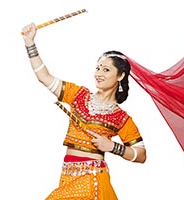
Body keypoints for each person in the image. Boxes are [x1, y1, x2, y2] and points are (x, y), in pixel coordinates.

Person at [21, 22, 146, 200]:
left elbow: (141, 155)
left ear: (120, 76)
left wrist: (112, 147)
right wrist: (29, 44)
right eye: (97, 68)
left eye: (106, 69)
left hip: (92, 180)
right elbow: (44, 77)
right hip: (67, 177)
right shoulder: (78, 95)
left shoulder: (121, 117)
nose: (98, 73)